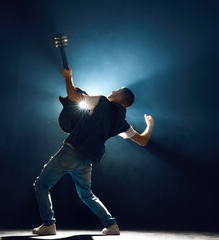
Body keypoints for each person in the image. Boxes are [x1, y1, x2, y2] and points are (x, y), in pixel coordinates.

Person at [32, 66, 154, 235]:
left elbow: (73, 97)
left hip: (71, 152)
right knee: (87, 195)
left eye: (116, 90)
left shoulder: (102, 101)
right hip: (87, 160)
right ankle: (111, 225)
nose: (112, 90)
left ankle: (48, 224)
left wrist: (68, 77)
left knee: (41, 185)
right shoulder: (122, 123)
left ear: (119, 97)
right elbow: (143, 140)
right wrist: (150, 125)